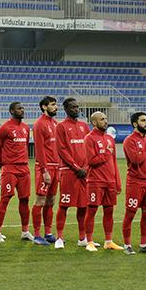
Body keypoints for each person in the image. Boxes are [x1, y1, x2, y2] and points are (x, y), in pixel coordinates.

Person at [0, 102, 31, 243]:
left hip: (24, 169)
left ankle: (25, 231)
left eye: (23, 108)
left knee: (25, 199)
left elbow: (25, 146)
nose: (22, 110)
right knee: (5, 198)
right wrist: (3, 164)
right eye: (19, 108)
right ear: (11, 111)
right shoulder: (5, 128)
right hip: (10, 169)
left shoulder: (26, 128)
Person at [83, 111, 123, 252]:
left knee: (109, 211)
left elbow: (113, 161)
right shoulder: (89, 138)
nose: (105, 121)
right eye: (102, 119)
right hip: (95, 181)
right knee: (92, 210)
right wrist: (105, 153)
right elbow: (91, 161)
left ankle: (108, 241)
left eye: (106, 118)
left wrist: (117, 181)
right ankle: (89, 241)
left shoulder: (109, 139)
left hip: (110, 182)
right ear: (94, 122)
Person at [54, 98, 90, 249]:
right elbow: (62, 150)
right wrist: (77, 168)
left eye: (77, 107)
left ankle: (82, 237)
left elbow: (90, 147)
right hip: (69, 171)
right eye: (73, 107)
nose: (76, 109)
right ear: (66, 109)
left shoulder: (84, 126)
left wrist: (86, 167)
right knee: (64, 204)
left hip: (85, 172)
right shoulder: (61, 126)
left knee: (83, 206)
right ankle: (59, 237)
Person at [121, 112, 146, 255]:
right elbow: (136, 159)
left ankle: (144, 244)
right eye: (143, 120)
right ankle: (127, 245)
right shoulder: (129, 141)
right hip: (135, 183)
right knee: (130, 214)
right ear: (135, 124)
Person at [31, 96, 59, 245]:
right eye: (53, 105)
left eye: (56, 104)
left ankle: (48, 232)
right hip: (46, 167)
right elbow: (39, 150)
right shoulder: (39, 124)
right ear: (44, 107)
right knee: (41, 199)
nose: (56, 107)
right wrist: (44, 170)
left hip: (56, 167)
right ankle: (37, 235)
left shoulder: (55, 124)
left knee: (51, 200)